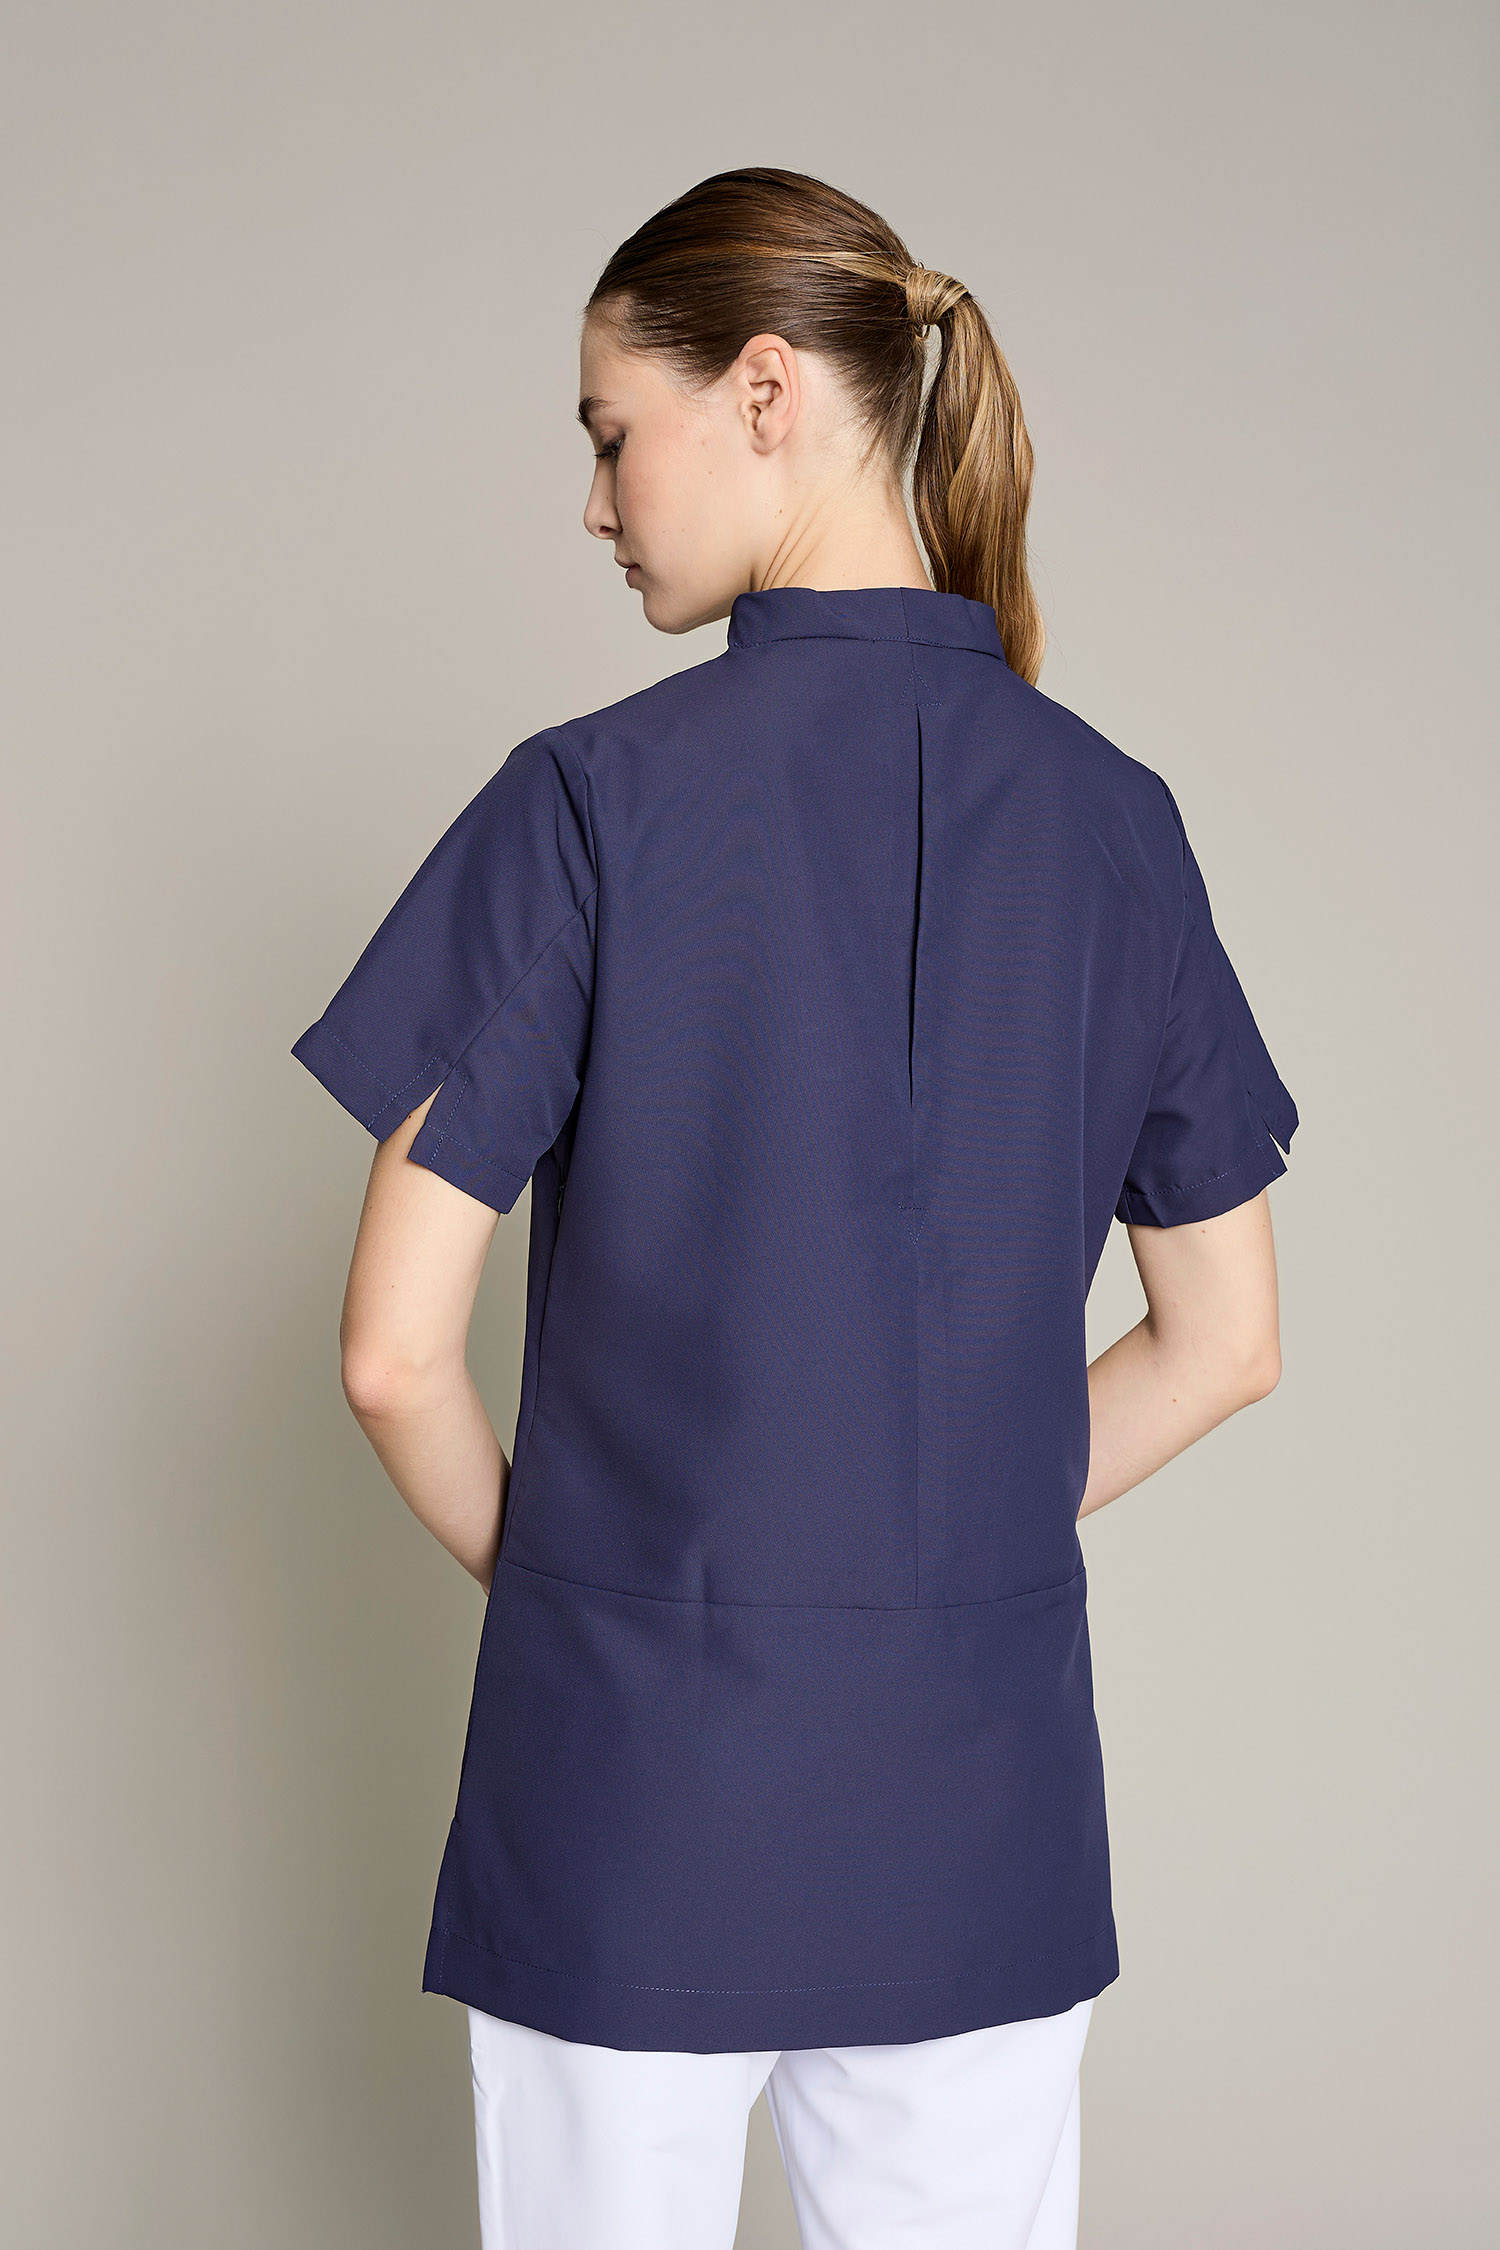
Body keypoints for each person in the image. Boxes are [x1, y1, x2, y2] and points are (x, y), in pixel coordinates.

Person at [291, 167, 1297, 2250]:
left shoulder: (590, 803)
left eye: (609, 433)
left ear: (763, 392)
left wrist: (596, 1597)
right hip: (978, 1815)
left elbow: (393, 1358)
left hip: (632, 1797)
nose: (594, 502)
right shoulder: (1118, 825)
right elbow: (1230, 1344)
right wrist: (943, 1526)